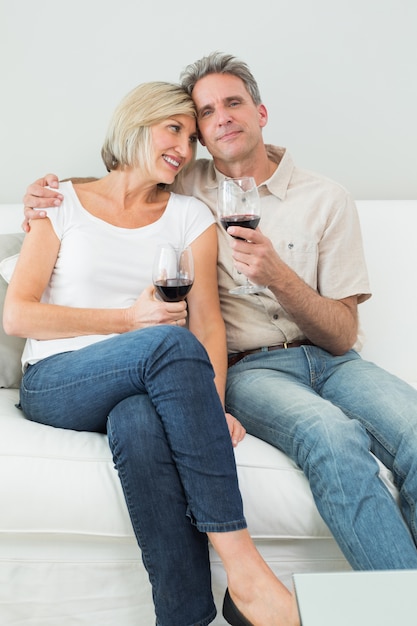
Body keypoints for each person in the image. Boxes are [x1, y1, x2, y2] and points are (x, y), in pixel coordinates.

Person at [22, 51, 417, 572]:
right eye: (204, 114)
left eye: (233, 103)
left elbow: (343, 335)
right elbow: (121, 182)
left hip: (334, 361)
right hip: (251, 368)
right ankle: (396, 604)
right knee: (332, 436)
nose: (219, 119)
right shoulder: (184, 184)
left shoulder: (326, 198)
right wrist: (43, 194)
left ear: (261, 113)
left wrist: (279, 275)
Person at [3, 80, 299, 626]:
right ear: (137, 124)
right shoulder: (60, 201)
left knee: (138, 424)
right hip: (58, 380)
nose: (184, 149)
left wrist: (210, 407)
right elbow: (17, 314)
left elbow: (209, 324)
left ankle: (185, 617)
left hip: (144, 388)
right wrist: (126, 321)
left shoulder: (189, 215)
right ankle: (246, 569)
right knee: (166, 338)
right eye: (174, 130)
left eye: (191, 138)